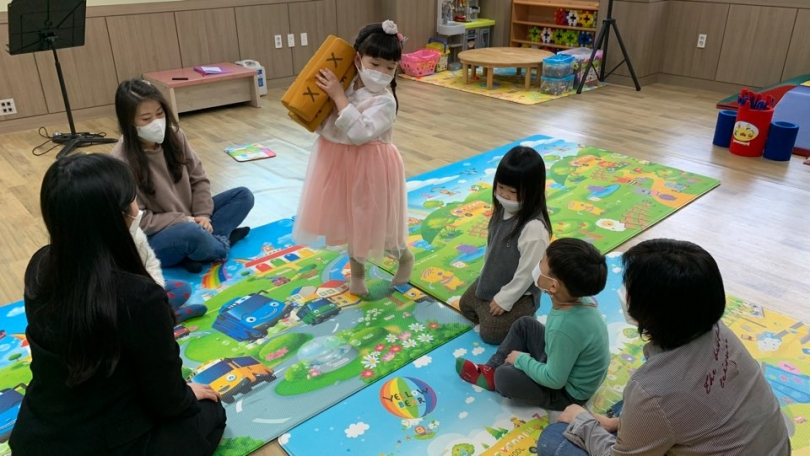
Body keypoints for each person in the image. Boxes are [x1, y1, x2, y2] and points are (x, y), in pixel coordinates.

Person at [10, 154, 226, 455]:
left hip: (36, 437)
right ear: (117, 217)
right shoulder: (138, 296)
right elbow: (168, 399)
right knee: (212, 411)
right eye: (132, 201)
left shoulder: (40, 265)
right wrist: (186, 395)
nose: (138, 209)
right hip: (109, 443)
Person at [539, 239, 790, 456]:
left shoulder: (651, 389)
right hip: (771, 446)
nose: (623, 292)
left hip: (676, 414)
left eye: (629, 287)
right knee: (633, 410)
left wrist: (582, 423)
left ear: (652, 310)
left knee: (554, 437)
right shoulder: (715, 327)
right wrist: (615, 423)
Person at [292, 20, 412, 297]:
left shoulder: (385, 101)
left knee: (379, 225)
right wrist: (329, 96)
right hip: (340, 164)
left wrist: (337, 97)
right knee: (350, 222)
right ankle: (357, 277)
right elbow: (324, 125)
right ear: (358, 59)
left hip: (373, 167)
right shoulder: (344, 85)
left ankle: (404, 256)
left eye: (390, 68)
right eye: (375, 64)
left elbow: (360, 133)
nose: (381, 73)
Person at [111, 78, 254, 273]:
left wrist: (203, 215)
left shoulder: (175, 136)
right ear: (128, 122)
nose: (156, 123)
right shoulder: (121, 161)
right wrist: (184, 220)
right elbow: (139, 220)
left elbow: (199, 179)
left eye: (159, 114)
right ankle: (220, 244)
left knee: (243, 195)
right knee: (191, 233)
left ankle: (199, 249)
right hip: (158, 236)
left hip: (192, 220)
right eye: (146, 119)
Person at [456, 238, 610, 411]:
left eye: (542, 261)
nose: (538, 264)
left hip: (567, 393)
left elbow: (555, 380)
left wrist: (521, 360)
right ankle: (490, 370)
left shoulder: (565, 327)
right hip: (564, 364)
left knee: (504, 377)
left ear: (553, 286)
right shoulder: (579, 300)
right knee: (524, 324)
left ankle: (496, 375)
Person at [458, 146, 552, 344]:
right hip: (494, 279)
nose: (505, 195)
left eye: (513, 191)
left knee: (491, 334)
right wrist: (485, 276)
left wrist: (506, 299)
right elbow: (492, 246)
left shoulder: (534, 229)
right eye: (500, 187)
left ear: (532, 191)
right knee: (465, 305)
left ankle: (523, 314)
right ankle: (493, 314)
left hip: (522, 292)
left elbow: (527, 273)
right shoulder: (501, 210)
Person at [128, 209, 208, 323]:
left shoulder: (135, 234)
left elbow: (149, 265)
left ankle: (161, 314)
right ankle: (166, 316)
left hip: (145, 282)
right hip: (133, 295)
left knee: (183, 288)